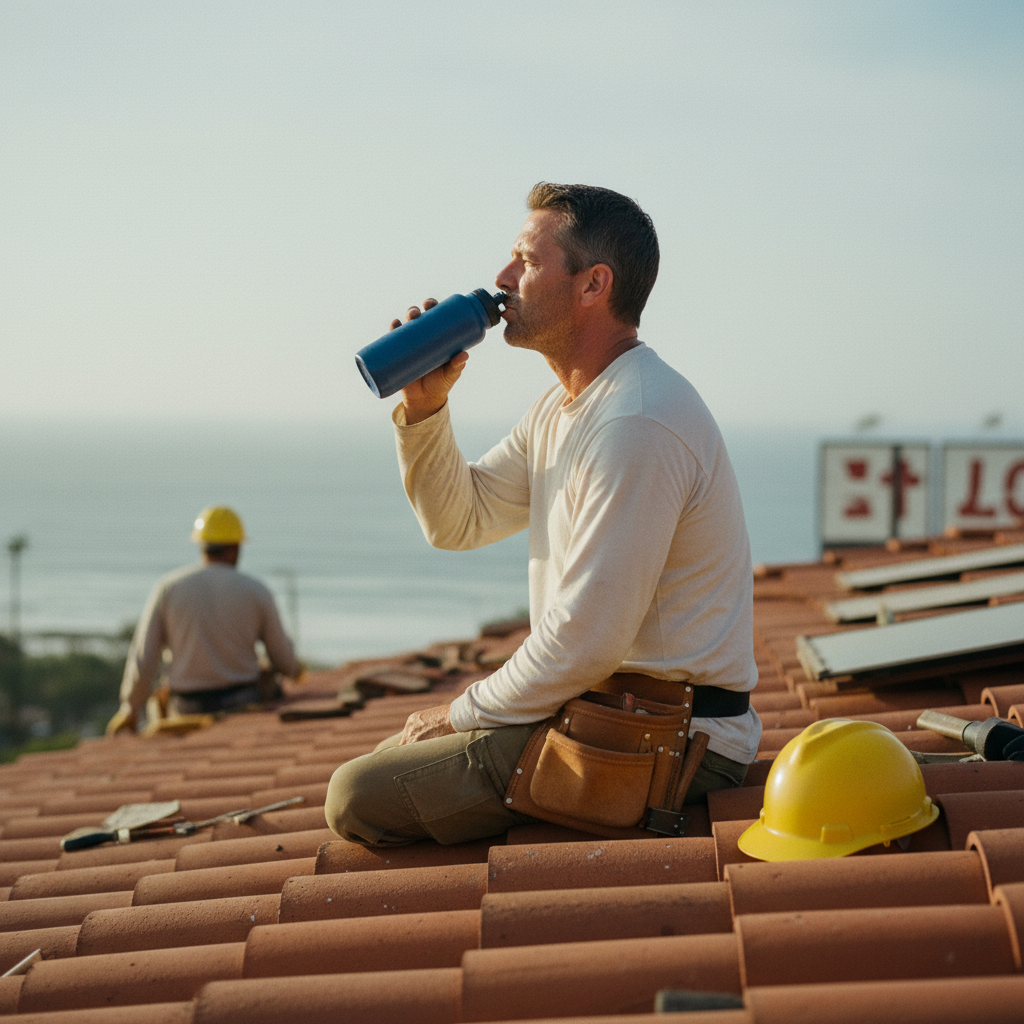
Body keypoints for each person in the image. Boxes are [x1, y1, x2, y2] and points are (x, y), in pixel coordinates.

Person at [326, 182, 761, 846]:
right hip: (603, 710)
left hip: (669, 739)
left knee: (356, 795)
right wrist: (424, 408)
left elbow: (587, 640)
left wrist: (459, 713)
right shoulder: (563, 409)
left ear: (593, 285)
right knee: (387, 767)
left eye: (525, 261)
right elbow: (459, 521)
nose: (501, 279)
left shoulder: (636, 419)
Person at [106, 505, 302, 734]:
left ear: (202, 546)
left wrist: (130, 708)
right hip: (243, 704)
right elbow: (283, 660)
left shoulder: (168, 588)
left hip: (185, 708)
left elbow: (144, 659)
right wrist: (296, 670)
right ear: (235, 548)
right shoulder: (257, 591)